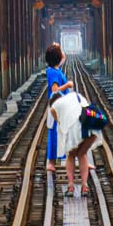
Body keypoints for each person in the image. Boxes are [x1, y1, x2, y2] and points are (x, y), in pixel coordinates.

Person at [52, 90, 96, 198]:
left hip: (73, 127)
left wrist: (59, 121)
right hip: (88, 127)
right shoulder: (79, 97)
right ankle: (84, 186)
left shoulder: (58, 103)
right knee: (82, 154)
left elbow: (53, 110)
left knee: (71, 155)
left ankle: (71, 186)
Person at [44, 44, 73, 172]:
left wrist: (58, 48)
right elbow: (54, 90)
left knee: (60, 132)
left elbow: (62, 59)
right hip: (57, 107)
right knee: (56, 133)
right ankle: (50, 162)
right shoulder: (54, 73)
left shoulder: (53, 69)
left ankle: (57, 159)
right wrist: (67, 85)